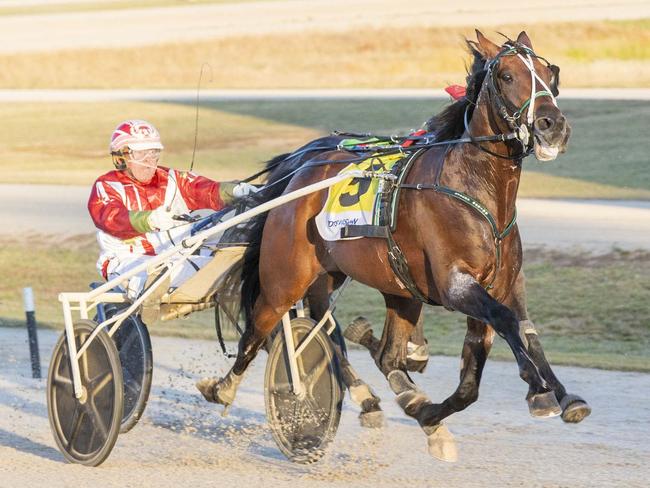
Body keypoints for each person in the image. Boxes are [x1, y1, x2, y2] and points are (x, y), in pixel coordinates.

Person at [88, 119, 255, 320]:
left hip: (179, 256)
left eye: (154, 153)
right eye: (141, 154)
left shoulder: (172, 179)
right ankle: (148, 292)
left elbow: (203, 189)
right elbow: (111, 216)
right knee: (147, 275)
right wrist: (149, 220)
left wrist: (235, 190)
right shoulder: (107, 186)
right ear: (121, 157)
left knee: (232, 259)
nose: (150, 160)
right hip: (128, 260)